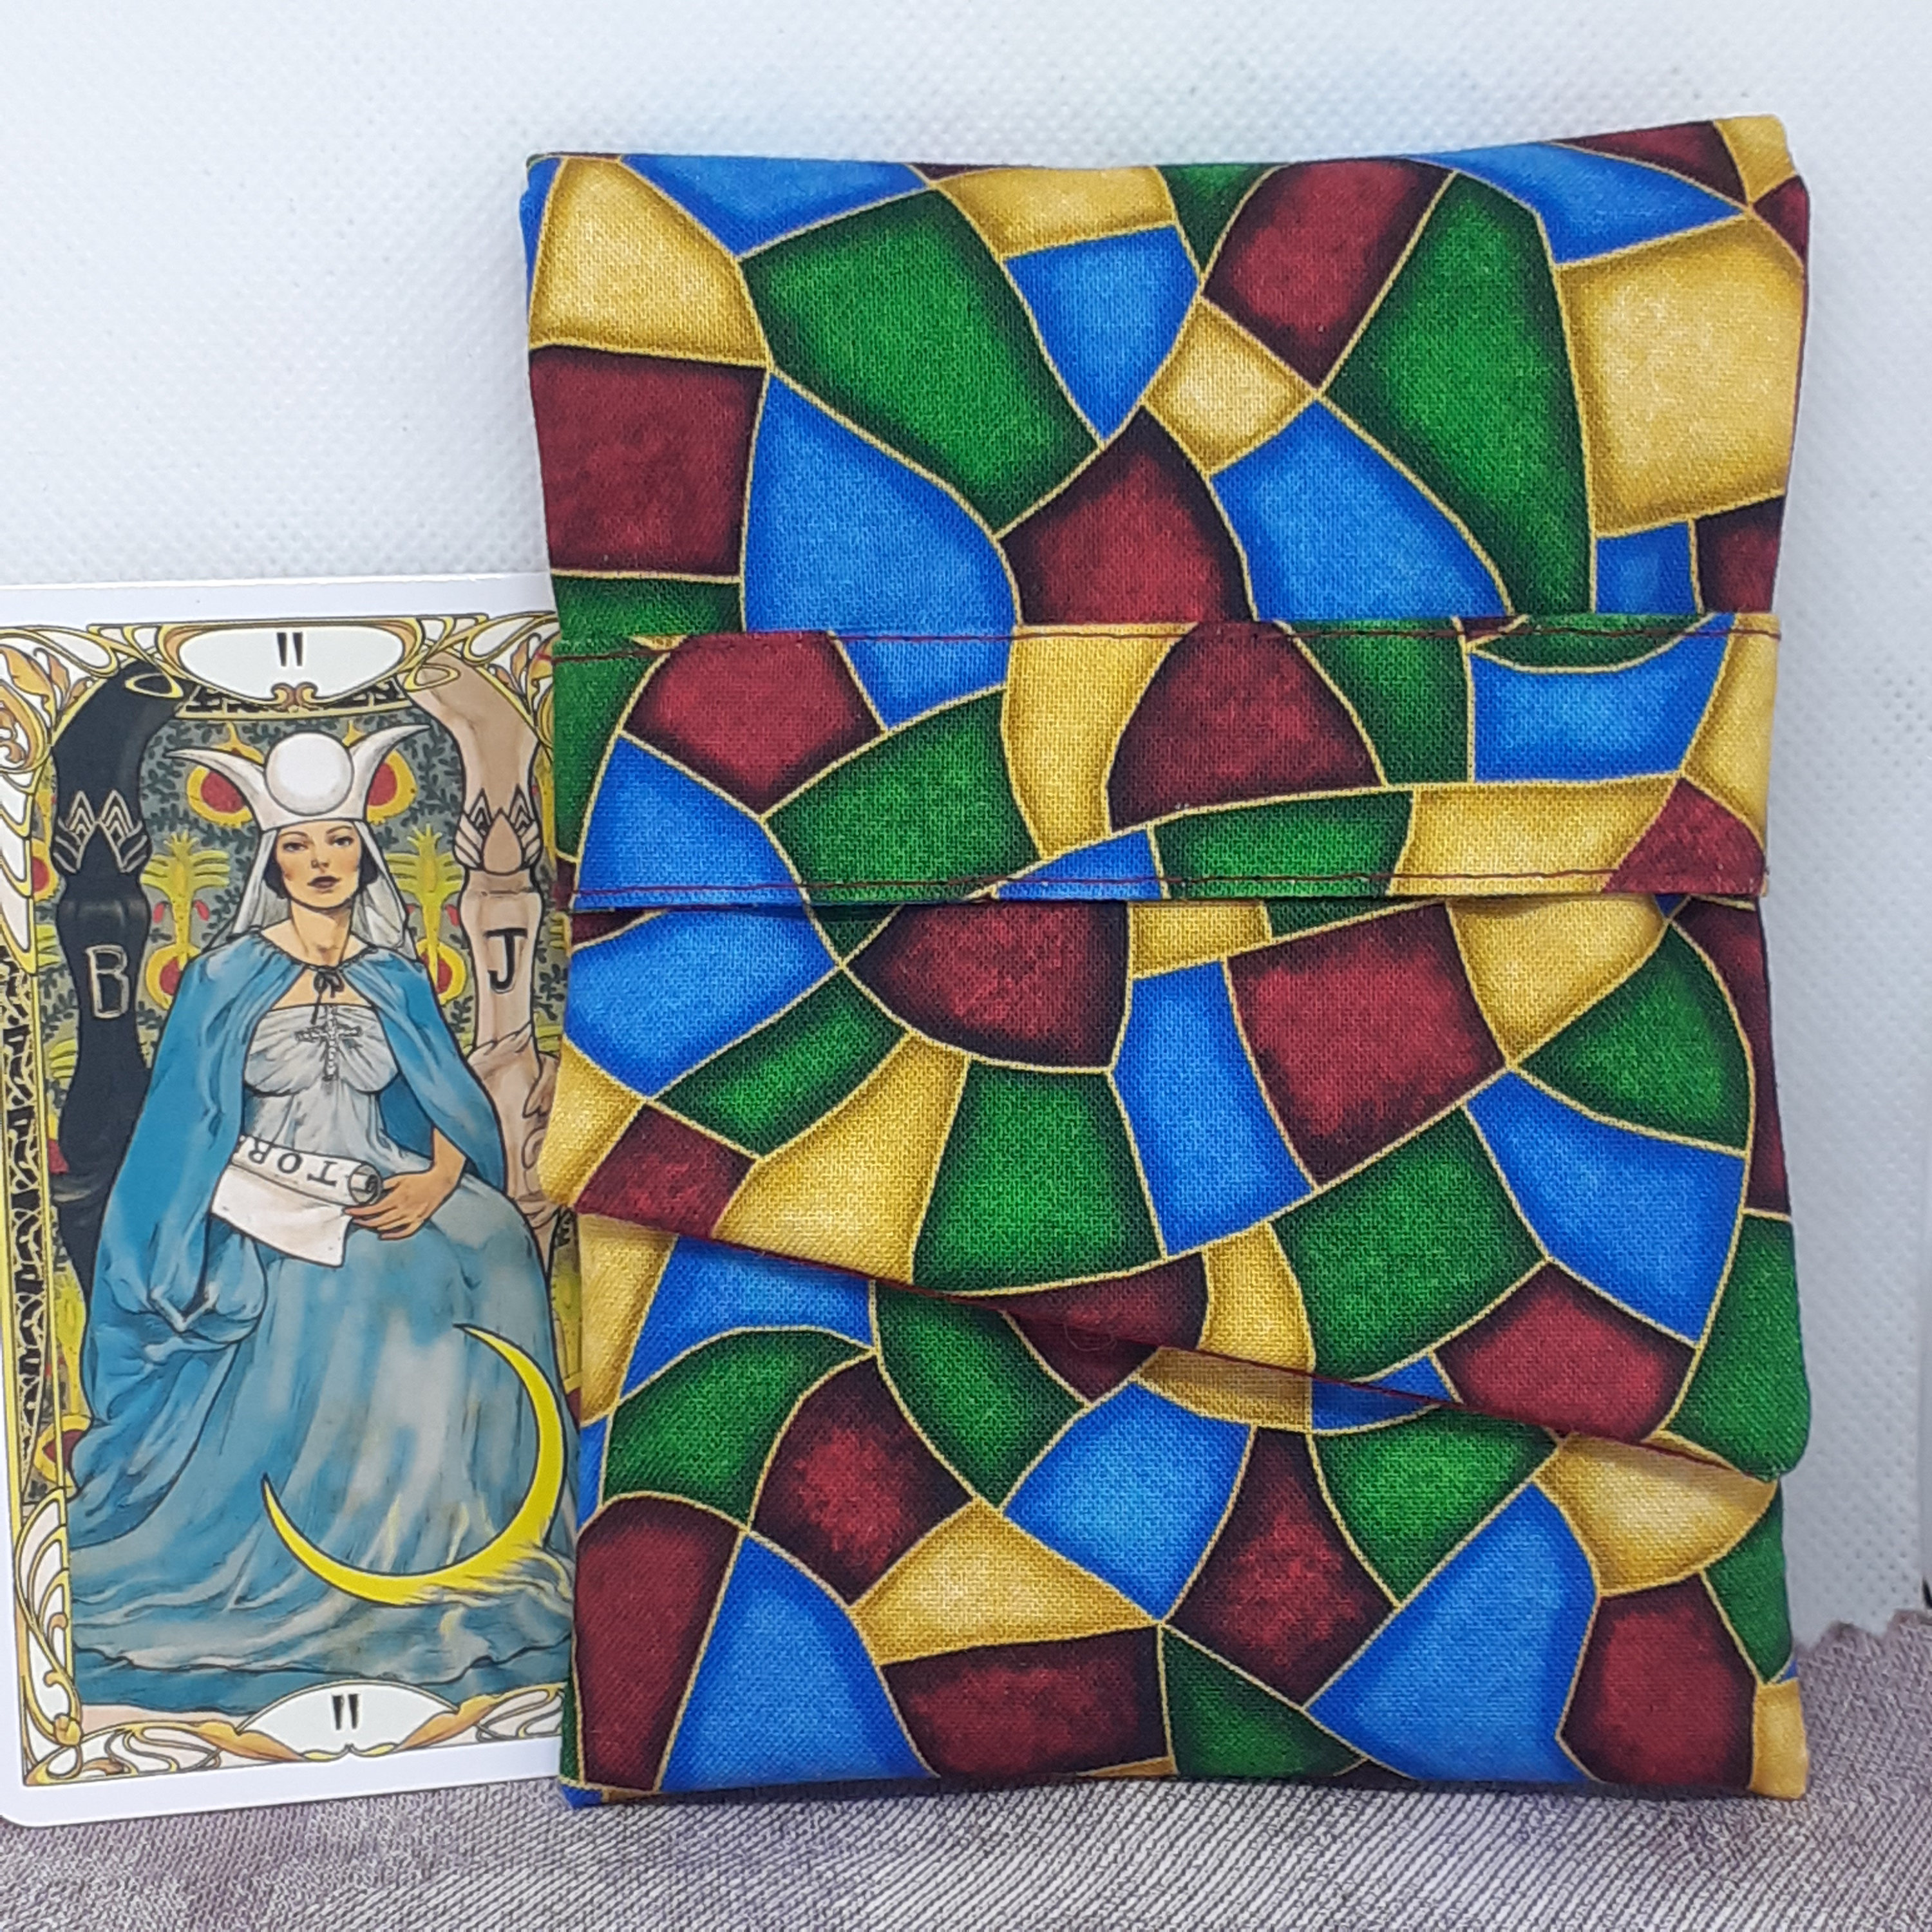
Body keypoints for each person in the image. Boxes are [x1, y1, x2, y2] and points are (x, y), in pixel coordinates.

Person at [66, 725, 573, 1720]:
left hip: (384, 1178)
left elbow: (446, 1100)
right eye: (299, 846)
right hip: (256, 1194)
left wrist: (438, 1182)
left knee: (495, 1245)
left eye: (340, 841)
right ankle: (340, 1556)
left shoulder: (394, 977)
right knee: (369, 1281)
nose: (322, 861)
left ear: (365, 855)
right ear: (272, 863)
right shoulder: (223, 979)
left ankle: (456, 1538)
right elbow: (184, 1123)